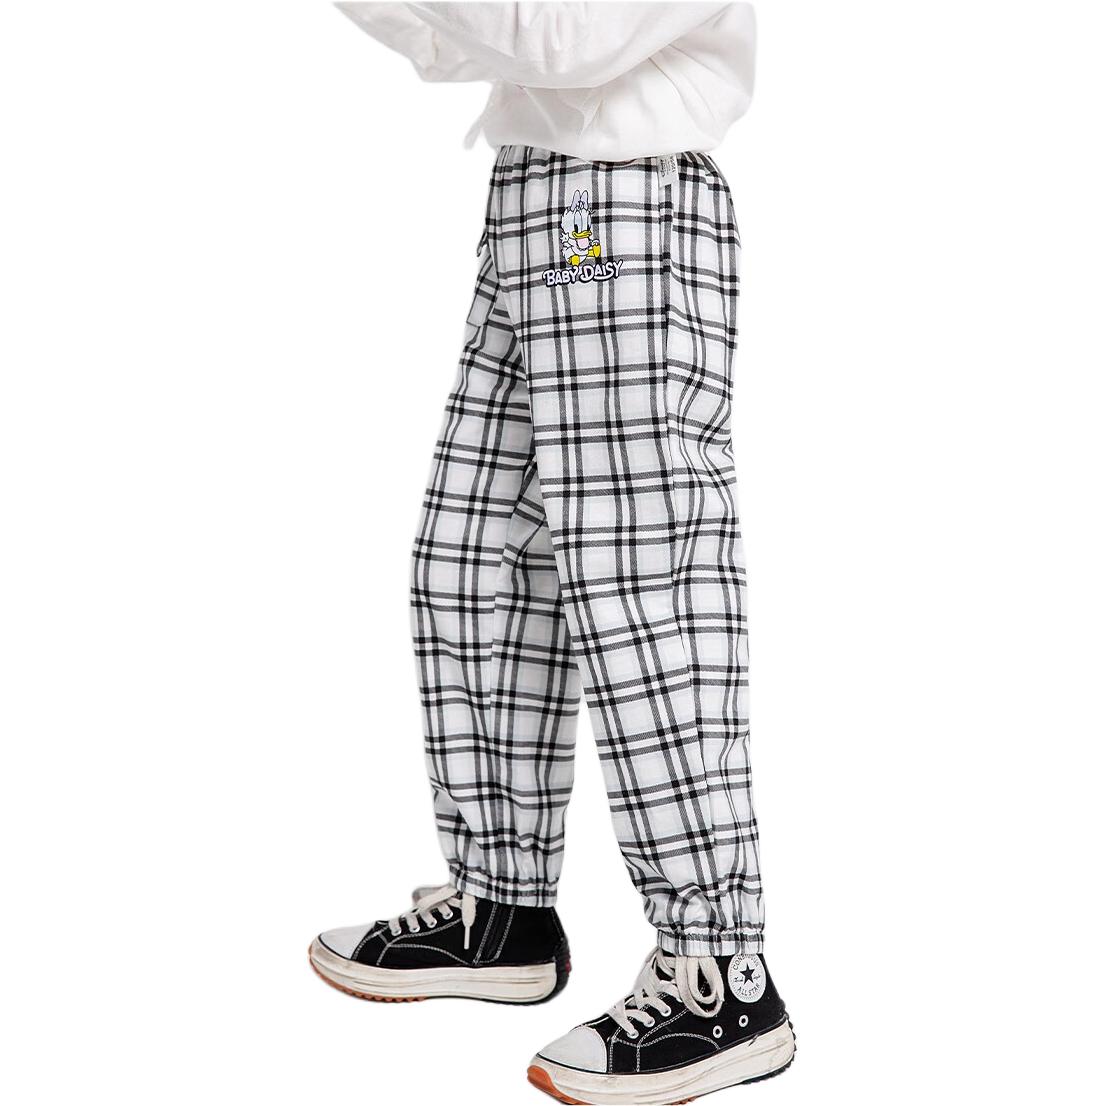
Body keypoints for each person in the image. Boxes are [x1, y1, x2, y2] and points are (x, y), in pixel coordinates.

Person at [309, 4, 795, 1102]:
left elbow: (559, 42)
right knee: (473, 560)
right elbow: (453, 44)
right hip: (534, 195)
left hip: (626, 202)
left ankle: (722, 975)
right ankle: (502, 909)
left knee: (641, 589)